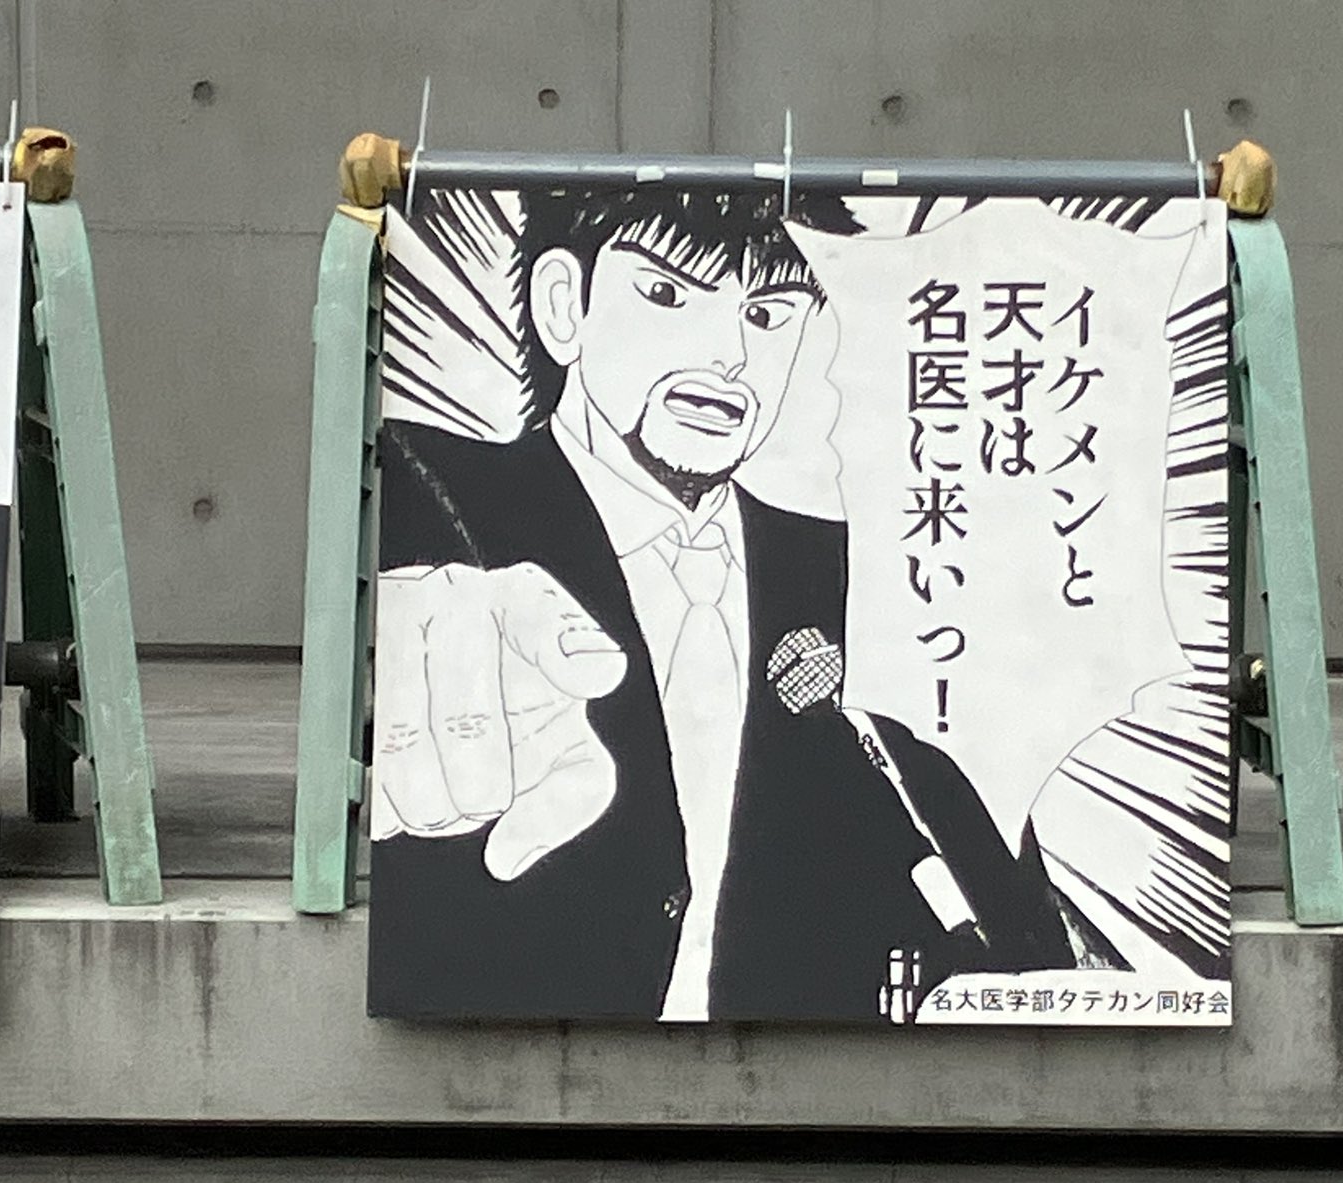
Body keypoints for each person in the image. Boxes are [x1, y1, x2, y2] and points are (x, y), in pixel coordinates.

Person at [369, 183, 1078, 1023]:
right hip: (512, 1060)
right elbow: (417, 602)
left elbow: (1017, 930)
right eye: (666, 293)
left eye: (769, 315)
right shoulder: (432, 490)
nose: (730, 354)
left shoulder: (864, 580)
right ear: (565, 305)